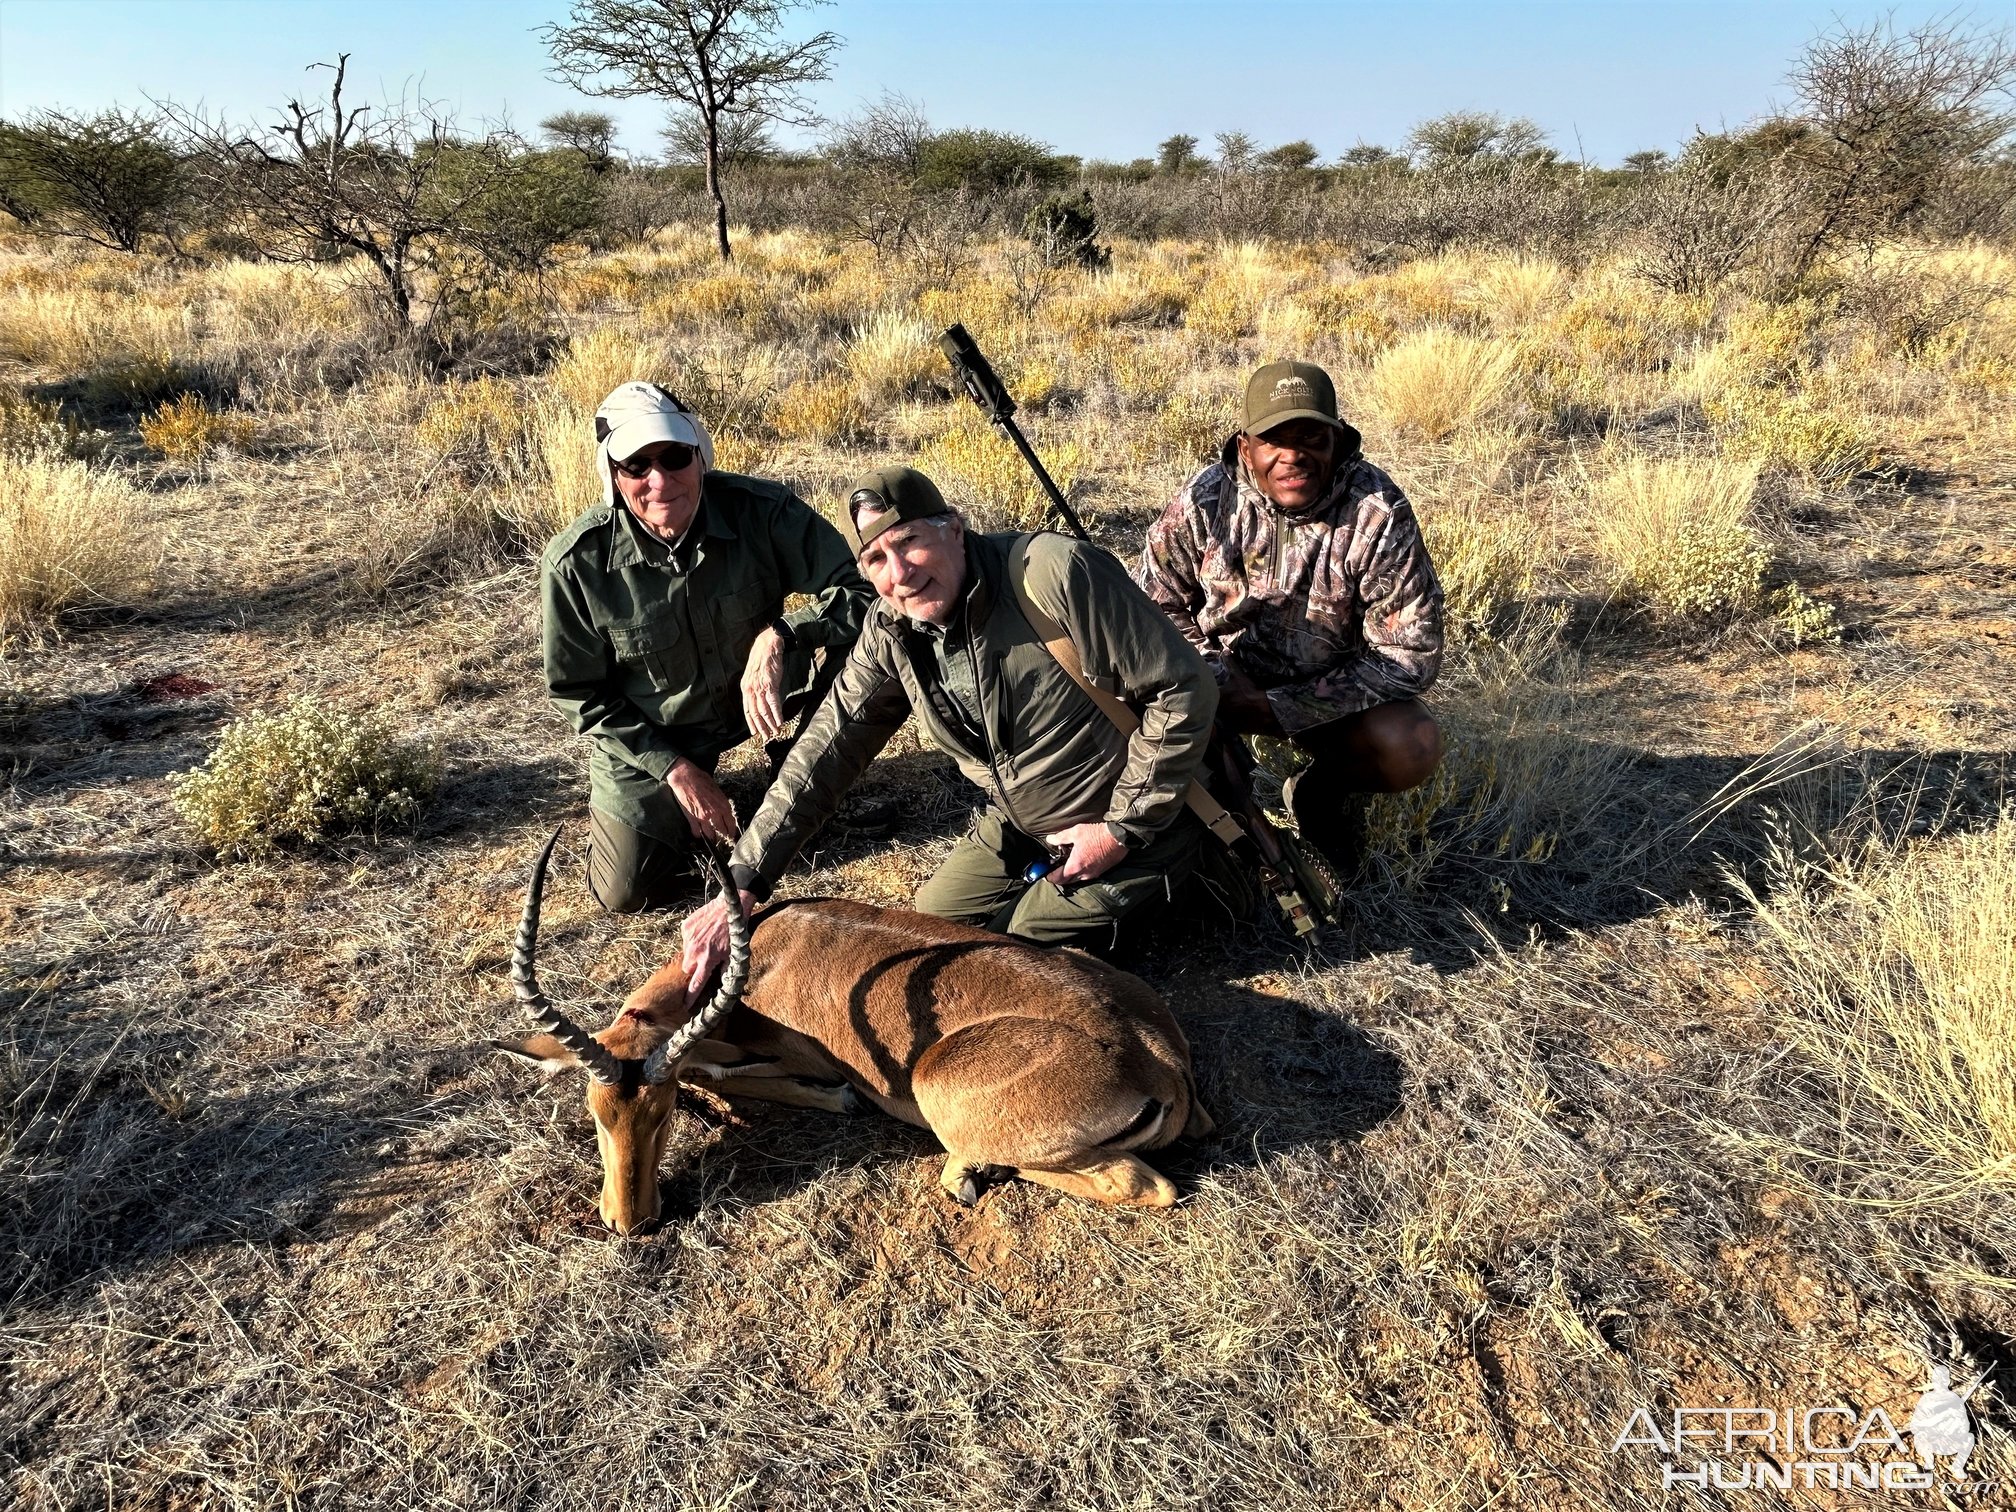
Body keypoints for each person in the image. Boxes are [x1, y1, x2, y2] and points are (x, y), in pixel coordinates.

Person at [679, 465, 1219, 987]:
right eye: (875, 559)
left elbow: (1182, 689)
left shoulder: (1052, 573)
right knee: (928, 927)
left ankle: (1196, 879)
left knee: (1016, 946)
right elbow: (824, 754)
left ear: (955, 530)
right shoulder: (892, 629)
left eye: (909, 540)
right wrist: (745, 883)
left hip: (1138, 815)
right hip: (1021, 822)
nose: (900, 572)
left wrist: (1119, 830)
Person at [541, 382, 873, 913]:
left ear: (700, 455)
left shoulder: (762, 510)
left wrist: (783, 633)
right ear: (612, 475)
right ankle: (688, 790)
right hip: (662, 730)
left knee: (868, 639)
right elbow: (580, 693)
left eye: (675, 457)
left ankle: (804, 768)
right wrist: (673, 768)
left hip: (765, 702)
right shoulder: (575, 565)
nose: (660, 480)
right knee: (625, 892)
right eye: (637, 466)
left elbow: (864, 591)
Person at [1137, 360, 1446, 871]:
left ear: (1337, 440)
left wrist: (1279, 707)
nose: (1293, 456)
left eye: (1311, 437)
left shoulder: (1377, 510)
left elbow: (1410, 654)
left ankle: (1318, 795)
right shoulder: (1205, 499)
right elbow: (1152, 607)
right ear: (1245, 447)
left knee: (1410, 743)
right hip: (1213, 683)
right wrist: (1210, 675)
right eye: (1274, 440)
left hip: (1324, 692)